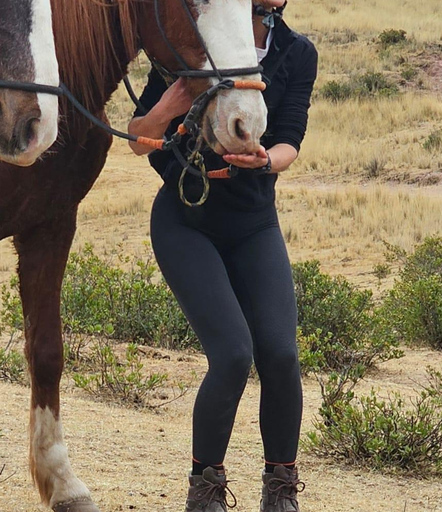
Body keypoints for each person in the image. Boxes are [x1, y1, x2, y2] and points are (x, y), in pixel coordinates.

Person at [127, 1, 317, 511]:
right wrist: (169, 107)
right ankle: (204, 492)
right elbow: (139, 139)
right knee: (233, 355)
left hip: (255, 221)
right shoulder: (195, 43)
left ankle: (281, 492)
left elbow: (290, 141)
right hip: (186, 221)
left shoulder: (297, 53)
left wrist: (265, 159)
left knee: (280, 355)